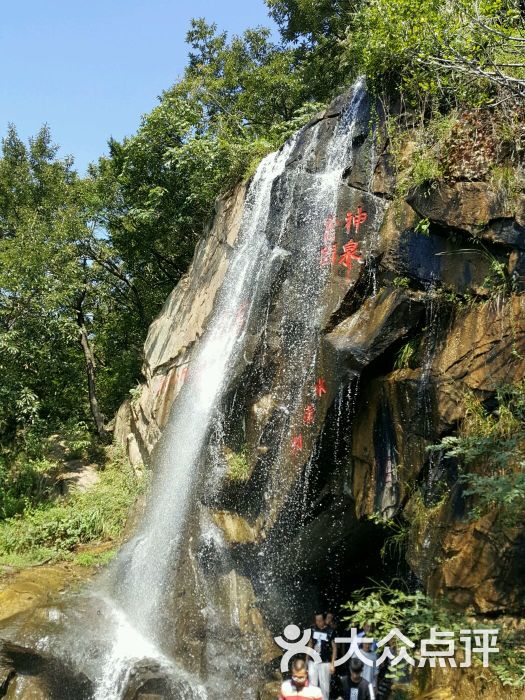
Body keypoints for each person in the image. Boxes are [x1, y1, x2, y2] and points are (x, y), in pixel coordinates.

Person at [307, 612, 337, 700]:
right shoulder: (313, 629)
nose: (318, 622)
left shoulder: (330, 631)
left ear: (324, 620)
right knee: (312, 685)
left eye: (320, 620)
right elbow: (310, 644)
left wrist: (332, 664)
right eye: (317, 620)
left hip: (325, 662)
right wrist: (306, 661)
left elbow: (334, 648)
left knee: (325, 687)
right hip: (313, 661)